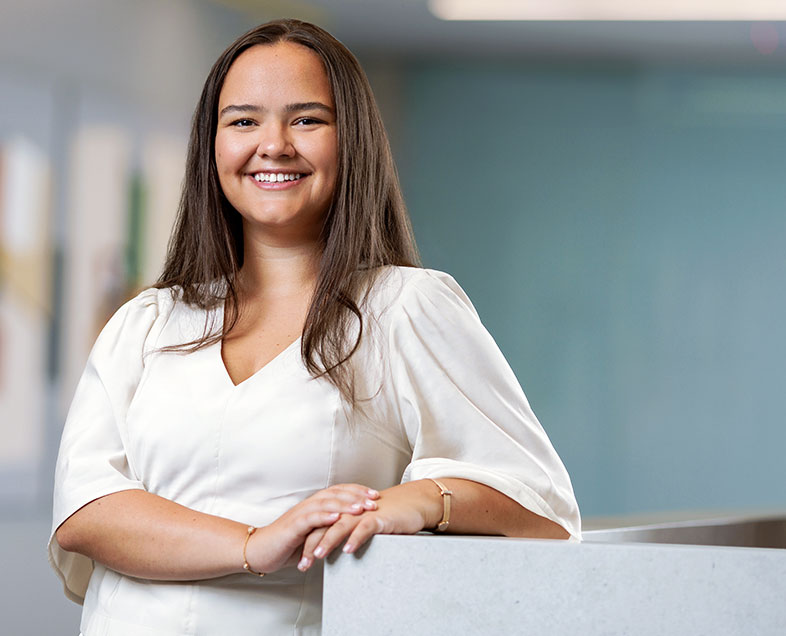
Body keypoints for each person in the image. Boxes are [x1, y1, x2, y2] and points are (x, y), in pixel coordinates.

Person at [49, 18, 581, 636]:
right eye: (243, 121)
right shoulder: (148, 322)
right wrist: (256, 543)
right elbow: (87, 512)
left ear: (351, 141)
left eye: (306, 119)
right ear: (212, 146)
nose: (273, 144)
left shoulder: (404, 309)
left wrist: (414, 504)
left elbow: (541, 507)